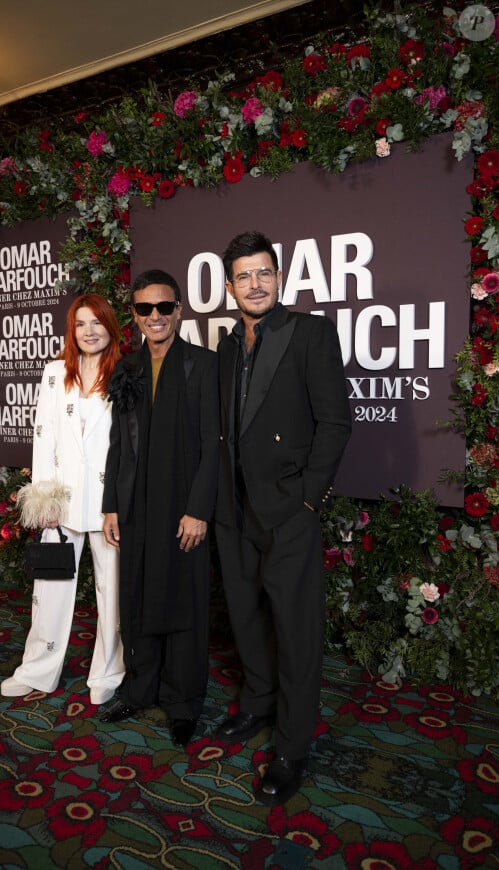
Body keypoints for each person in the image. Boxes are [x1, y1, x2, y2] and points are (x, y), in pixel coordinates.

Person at [214, 231, 351, 804]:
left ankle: (292, 745)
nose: (255, 284)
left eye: (263, 272)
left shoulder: (310, 333)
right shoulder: (224, 346)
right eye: (243, 276)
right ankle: (257, 705)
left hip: (288, 510)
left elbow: (336, 422)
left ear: (279, 277)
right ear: (228, 286)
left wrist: (308, 500)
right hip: (234, 508)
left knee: (295, 632)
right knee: (245, 618)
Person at [100, 269, 219, 748]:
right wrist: (111, 505)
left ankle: (183, 702)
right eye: (145, 309)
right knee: (138, 596)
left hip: (183, 507)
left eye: (164, 307)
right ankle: (139, 687)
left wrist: (199, 508)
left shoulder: (203, 366)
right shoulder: (126, 369)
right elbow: (117, 444)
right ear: (134, 315)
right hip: (135, 506)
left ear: (179, 311)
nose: (155, 316)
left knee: (185, 602)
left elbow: (215, 444)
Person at [1, 293, 125, 706]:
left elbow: (131, 444)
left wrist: (122, 501)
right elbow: (44, 434)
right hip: (62, 499)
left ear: (110, 325)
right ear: (72, 330)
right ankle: (37, 669)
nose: (90, 332)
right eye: (81, 324)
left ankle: (108, 673)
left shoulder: (125, 372)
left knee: (113, 591)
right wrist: (44, 497)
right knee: (50, 586)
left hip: (110, 503)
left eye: (97, 322)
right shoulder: (55, 373)